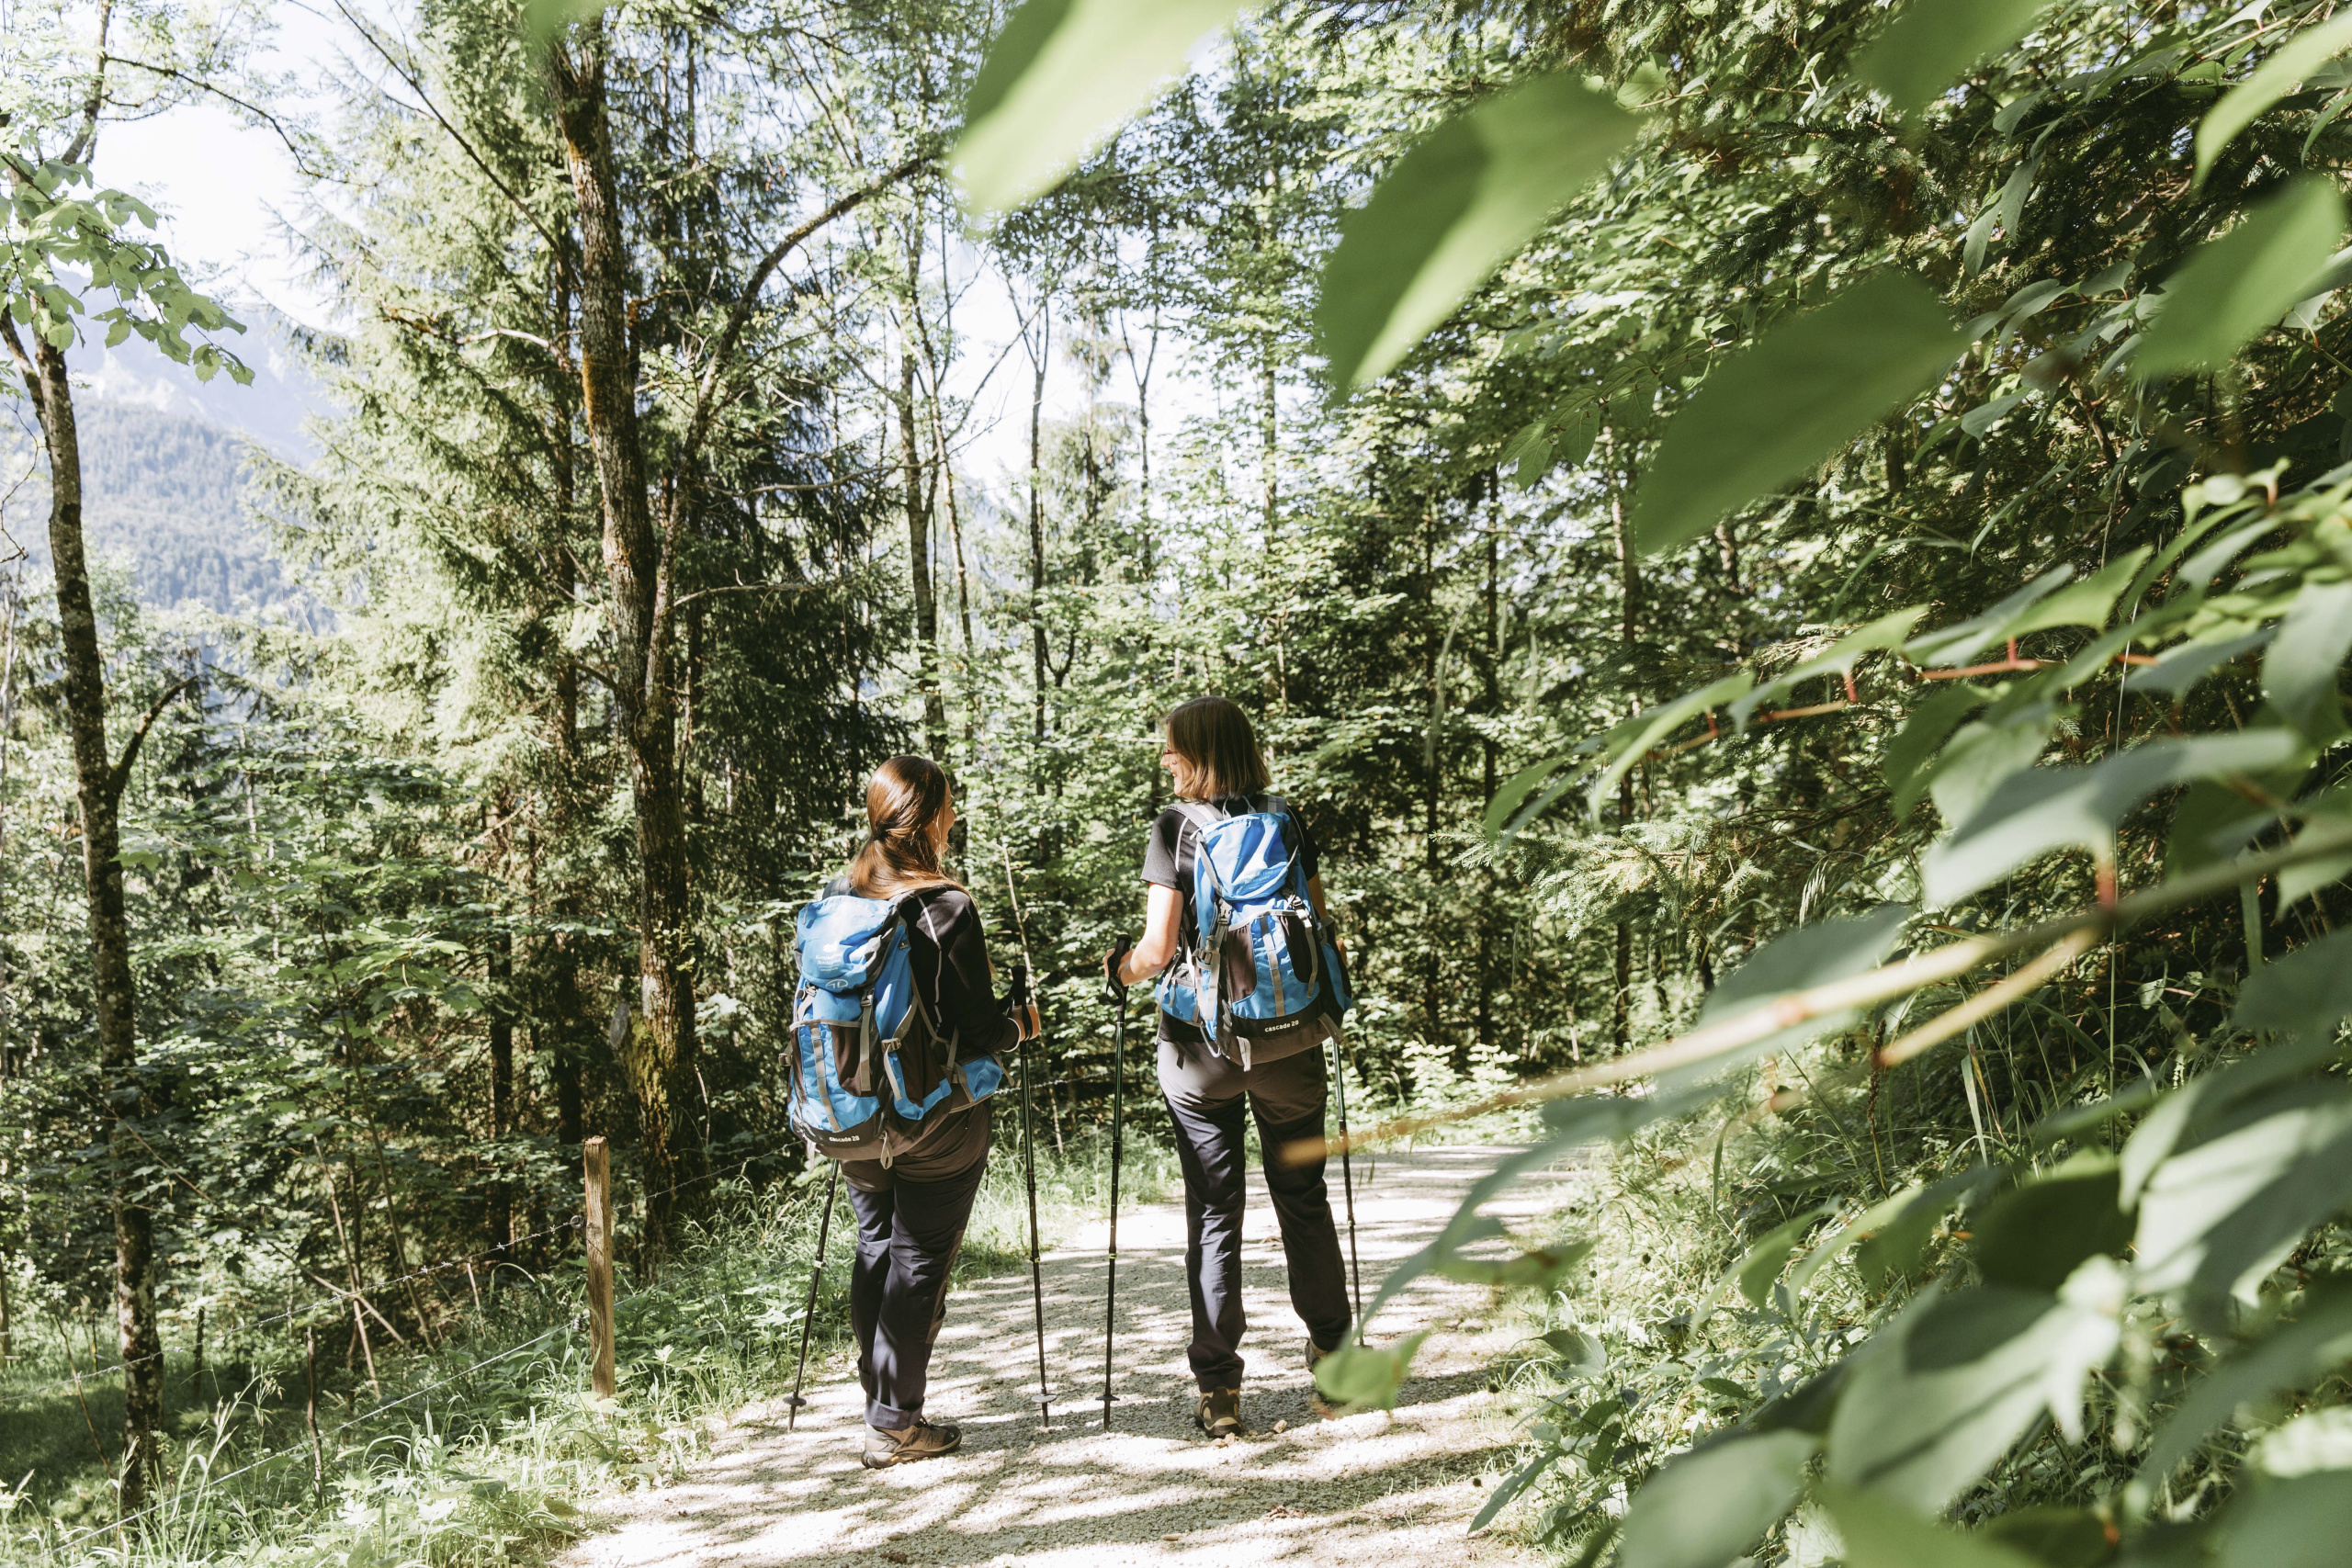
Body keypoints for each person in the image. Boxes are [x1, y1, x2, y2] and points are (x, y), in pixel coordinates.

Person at [1103, 696, 1352, 1438]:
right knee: (1303, 1196)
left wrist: (1117, 971)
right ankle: (1337, 1364)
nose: (1164, 758)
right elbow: (1314, 914)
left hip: (1201, 1047)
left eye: (1172, 747)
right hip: (1291, 1036)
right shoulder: (1284, 816)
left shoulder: (1176, 827)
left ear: (1200, 752)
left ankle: (1219, 1388)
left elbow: (1154, 952)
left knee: (1215, 1208)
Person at [790, 755, 1037, 1469]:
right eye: (949, 808)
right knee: (919, 1254)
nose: (954, 819)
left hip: (849, 1118)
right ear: (928, 818)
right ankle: (894, 1420)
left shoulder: (838, 899)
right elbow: (982, 1028)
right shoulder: (946, 905)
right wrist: (1021, 1025)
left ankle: (884, 1400)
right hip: (932, 1118)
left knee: (876, 1246)